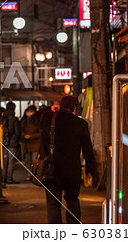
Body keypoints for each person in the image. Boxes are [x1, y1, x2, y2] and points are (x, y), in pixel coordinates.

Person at [39, 96, 96, 224]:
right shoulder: (81, 124)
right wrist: (90, 169)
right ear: (75, 109)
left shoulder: (48, 119)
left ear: (60, 106)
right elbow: (88, 149)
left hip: (51, 170)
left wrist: (49, 108)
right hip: (71, 171)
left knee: (53, 205)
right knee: (72, 201)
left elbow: (32, 119)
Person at [1, 101, 21, 185]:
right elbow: (17, 132)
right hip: (13, 143)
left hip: (4, 142)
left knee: (5, 161)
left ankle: (3, 178)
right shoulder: (14, 119)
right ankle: (9, 178)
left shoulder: (3, 118)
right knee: (11, 161)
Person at [20, 105, 39, 181]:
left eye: (31, 111)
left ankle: (35, 175)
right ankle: (29, 174)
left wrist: (31, 136)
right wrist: (24, 135)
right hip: (26, 144)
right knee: (27, 161)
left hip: (35, 144)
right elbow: (20, 130)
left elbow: (40, 133)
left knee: (34, 161)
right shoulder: (24, 121)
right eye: (28, 111)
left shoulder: (37, 121)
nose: (29, 113)